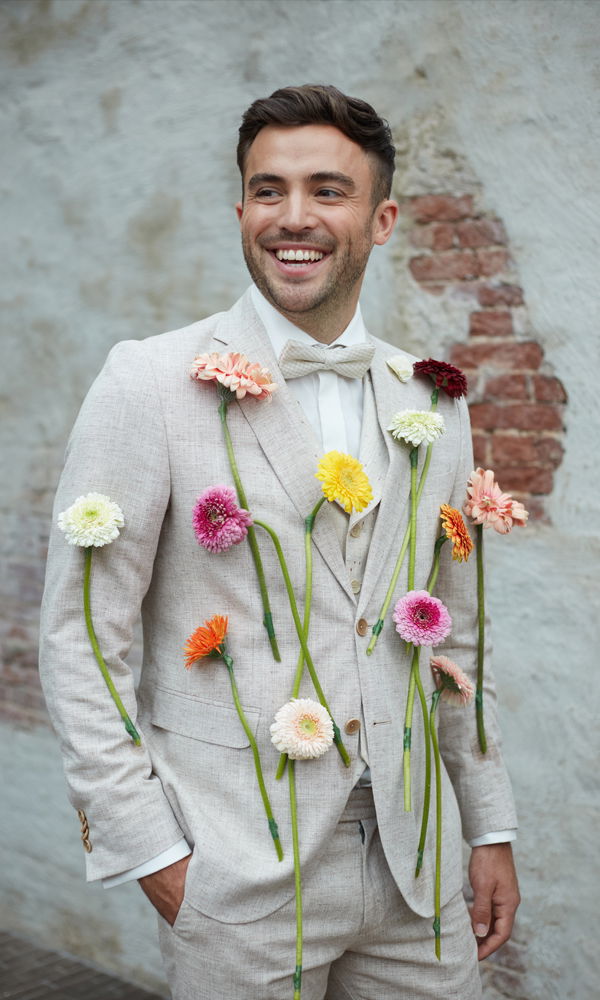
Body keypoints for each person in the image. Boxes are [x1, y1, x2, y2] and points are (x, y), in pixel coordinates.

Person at [40, 84, 520, 999]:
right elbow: (81, 637)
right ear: (241, 212)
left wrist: (489, 824)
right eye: (269, 190)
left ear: (381, 220)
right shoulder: (148, 383)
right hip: (237, 868)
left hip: (418, 868)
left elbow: (453, 635)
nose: (293, 216)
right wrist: (152, 851)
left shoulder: (435, 398)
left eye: (327, 190)